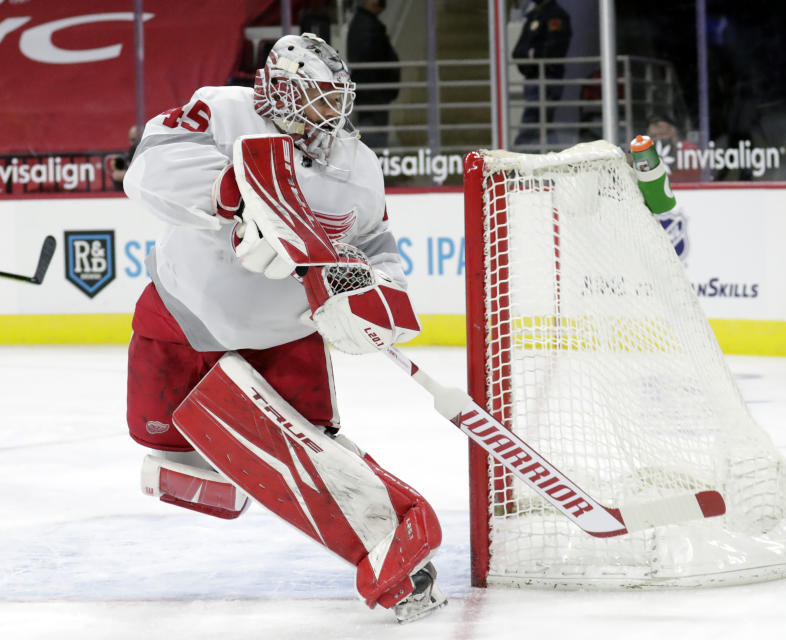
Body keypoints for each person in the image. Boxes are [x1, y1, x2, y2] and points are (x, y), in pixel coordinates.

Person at [122, 33, 446, 623]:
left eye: (335, 101)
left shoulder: (358, 164)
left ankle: (393, 545)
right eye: (317, 100)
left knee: (305, 454)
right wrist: (235, 198)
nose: (330, 116)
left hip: (287, 332)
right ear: (279, 87)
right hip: (187, 314)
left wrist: (373, 291)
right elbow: (150, 169)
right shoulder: (223, 110)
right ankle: (250, 472)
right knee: (161, 447)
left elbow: (374, 243)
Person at [512, 0, 572, 148]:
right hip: (532, 79)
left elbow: (554, 50)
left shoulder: (556, 16)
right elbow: (519, 50)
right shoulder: (533, 16)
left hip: (547, 78)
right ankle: (556, 160)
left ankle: (517, 157)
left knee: (534, 120)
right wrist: (527, 64)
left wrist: (534, 60)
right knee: (542, 126)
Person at [347, 0, 400, 150]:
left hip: (372, 97)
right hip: (373, 98)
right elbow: (370, 61)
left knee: (372, 138)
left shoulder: (365, 23)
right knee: (373, 142)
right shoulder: (367, 25)